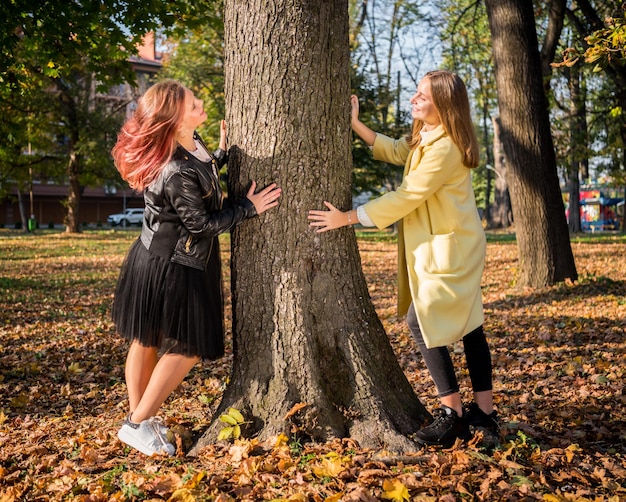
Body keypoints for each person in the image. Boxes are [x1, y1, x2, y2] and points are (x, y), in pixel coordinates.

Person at [308, 70, 498, 448]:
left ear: (443, 104)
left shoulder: (445, 148)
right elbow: (398, 150)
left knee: (422, 321)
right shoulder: (428, 136)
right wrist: (355, 125)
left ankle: (454, 414)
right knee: (470, 326)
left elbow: (406, 196)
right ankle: (483, 414)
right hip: (449, 246)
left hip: (450, 251)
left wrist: (347, 218)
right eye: (416, 92)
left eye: (422, 96)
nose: (414, 99)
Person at [111, 79, 281, 456]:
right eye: (193, 104)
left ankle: (139, 418)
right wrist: (249, 208)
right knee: (186, 347)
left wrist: (219, 155)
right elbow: (202, 224)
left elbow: (201, 173)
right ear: (174, 119)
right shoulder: (174, 168)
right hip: (173, 262)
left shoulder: (190, 141)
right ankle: (138, 423)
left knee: (148, 337)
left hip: (158, 253)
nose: (201, 105)